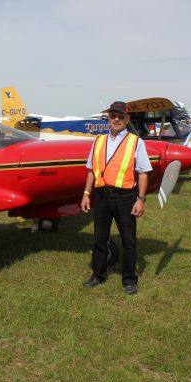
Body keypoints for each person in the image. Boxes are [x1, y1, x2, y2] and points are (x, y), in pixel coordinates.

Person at [80, 101, 152, 295]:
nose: (117, 119)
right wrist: (87, 194)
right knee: (99, 238)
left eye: (121, 116)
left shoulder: (136, 142)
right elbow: (91, 171)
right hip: (102, 196)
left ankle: (129, 279)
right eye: (113, 116)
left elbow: (144, 172)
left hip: (125, 197)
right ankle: (98, 274)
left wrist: (141, 199)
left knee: (129, 240)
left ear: (127, 119)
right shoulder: (98, 141)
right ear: (109, 119)